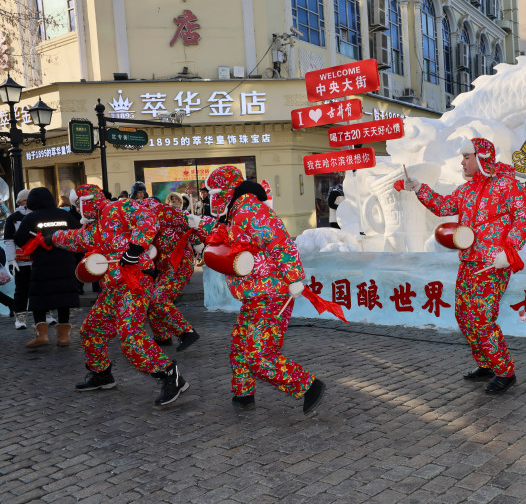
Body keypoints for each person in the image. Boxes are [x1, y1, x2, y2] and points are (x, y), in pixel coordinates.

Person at [403, 138, 526, 394]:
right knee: (464, 316)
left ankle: (505, 371)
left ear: (481, 158)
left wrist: (508, 251)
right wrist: (419, 188)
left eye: (466, 157)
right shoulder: (467, 190)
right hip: (469, 262)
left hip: (492, 264)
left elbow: (525, 216)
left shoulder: (505, 185)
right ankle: (486, 363)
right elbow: (443, 206)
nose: (462, 162)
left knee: (481, 319)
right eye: (462, 157)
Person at [46, 184, 190, 406]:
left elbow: (147, 217)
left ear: (88, 201)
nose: (77, 209)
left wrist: (135, 249)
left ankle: (170, 374)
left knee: (130, 335)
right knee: (91, 329)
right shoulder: (93, 228)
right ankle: (102, 374)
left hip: (135, 283)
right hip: (113, 287)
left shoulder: (118, 207)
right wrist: (52, 238)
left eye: (78, 204)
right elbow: (75, 239)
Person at [204, 165, 325, 413]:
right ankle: (243, 392)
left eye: (215, 193)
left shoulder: (249, 210)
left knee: (257, 353)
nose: (212, 198)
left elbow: (280, 241)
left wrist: (294, 277)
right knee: (239, 344)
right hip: (255, 293)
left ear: (225, 191)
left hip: (272, 292)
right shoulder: (236, 211)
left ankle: (307, 385)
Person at [14, 187, 81, 348]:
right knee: (63, 298)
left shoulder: (32, 217)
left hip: (42, 263)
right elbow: (78, 234)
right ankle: (63, 337)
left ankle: (41, 335)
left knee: (38, 298)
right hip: (66, 262)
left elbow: (19, 239)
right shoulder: (65, 215)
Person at [139, 197, 202, 351]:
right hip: (165, 267)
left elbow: (189, 222)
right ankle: (162, 336)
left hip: (179, 264)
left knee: (157, 298)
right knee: (151, 298)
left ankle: (186, 332)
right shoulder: (140, 220)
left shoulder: (159, 211)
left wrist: (198, 244)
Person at [3, 189, 33, 329]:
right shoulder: (13, 218)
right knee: (21, 289)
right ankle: (20, 317)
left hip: (37, 259)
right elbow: (8, 240)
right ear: (20, 202)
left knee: (40, 287)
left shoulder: (36, 215)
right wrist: (11, 260)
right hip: (20, 260)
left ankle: (46, 313)